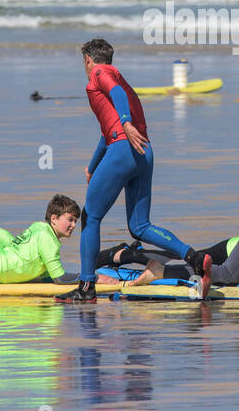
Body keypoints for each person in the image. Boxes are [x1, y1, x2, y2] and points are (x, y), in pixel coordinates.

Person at [58, 39, 194, 302]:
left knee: (91, 217)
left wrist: (126, 122)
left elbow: (117, 102)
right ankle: (194, 257)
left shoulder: (101, 72)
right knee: (140, 225)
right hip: (143, 152)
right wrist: (93, 165)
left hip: (124, 150)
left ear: (88, 59)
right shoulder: (118, 80)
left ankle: (86, 287)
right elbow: (105, 133)